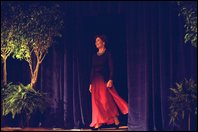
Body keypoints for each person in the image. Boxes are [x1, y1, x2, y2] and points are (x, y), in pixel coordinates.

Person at [89, 35, 128, 130]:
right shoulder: (94, 56)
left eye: (98, 41)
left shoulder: (108, 54)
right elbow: (92, 70)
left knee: (106, 101)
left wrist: (110, 79)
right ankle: (97, 123)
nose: (96, 43)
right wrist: (90, 83)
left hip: (104, 80)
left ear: (103, 42)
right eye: (95, 41)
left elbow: (111, 68)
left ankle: (116, 120)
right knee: (96, 102)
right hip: (95, 81)